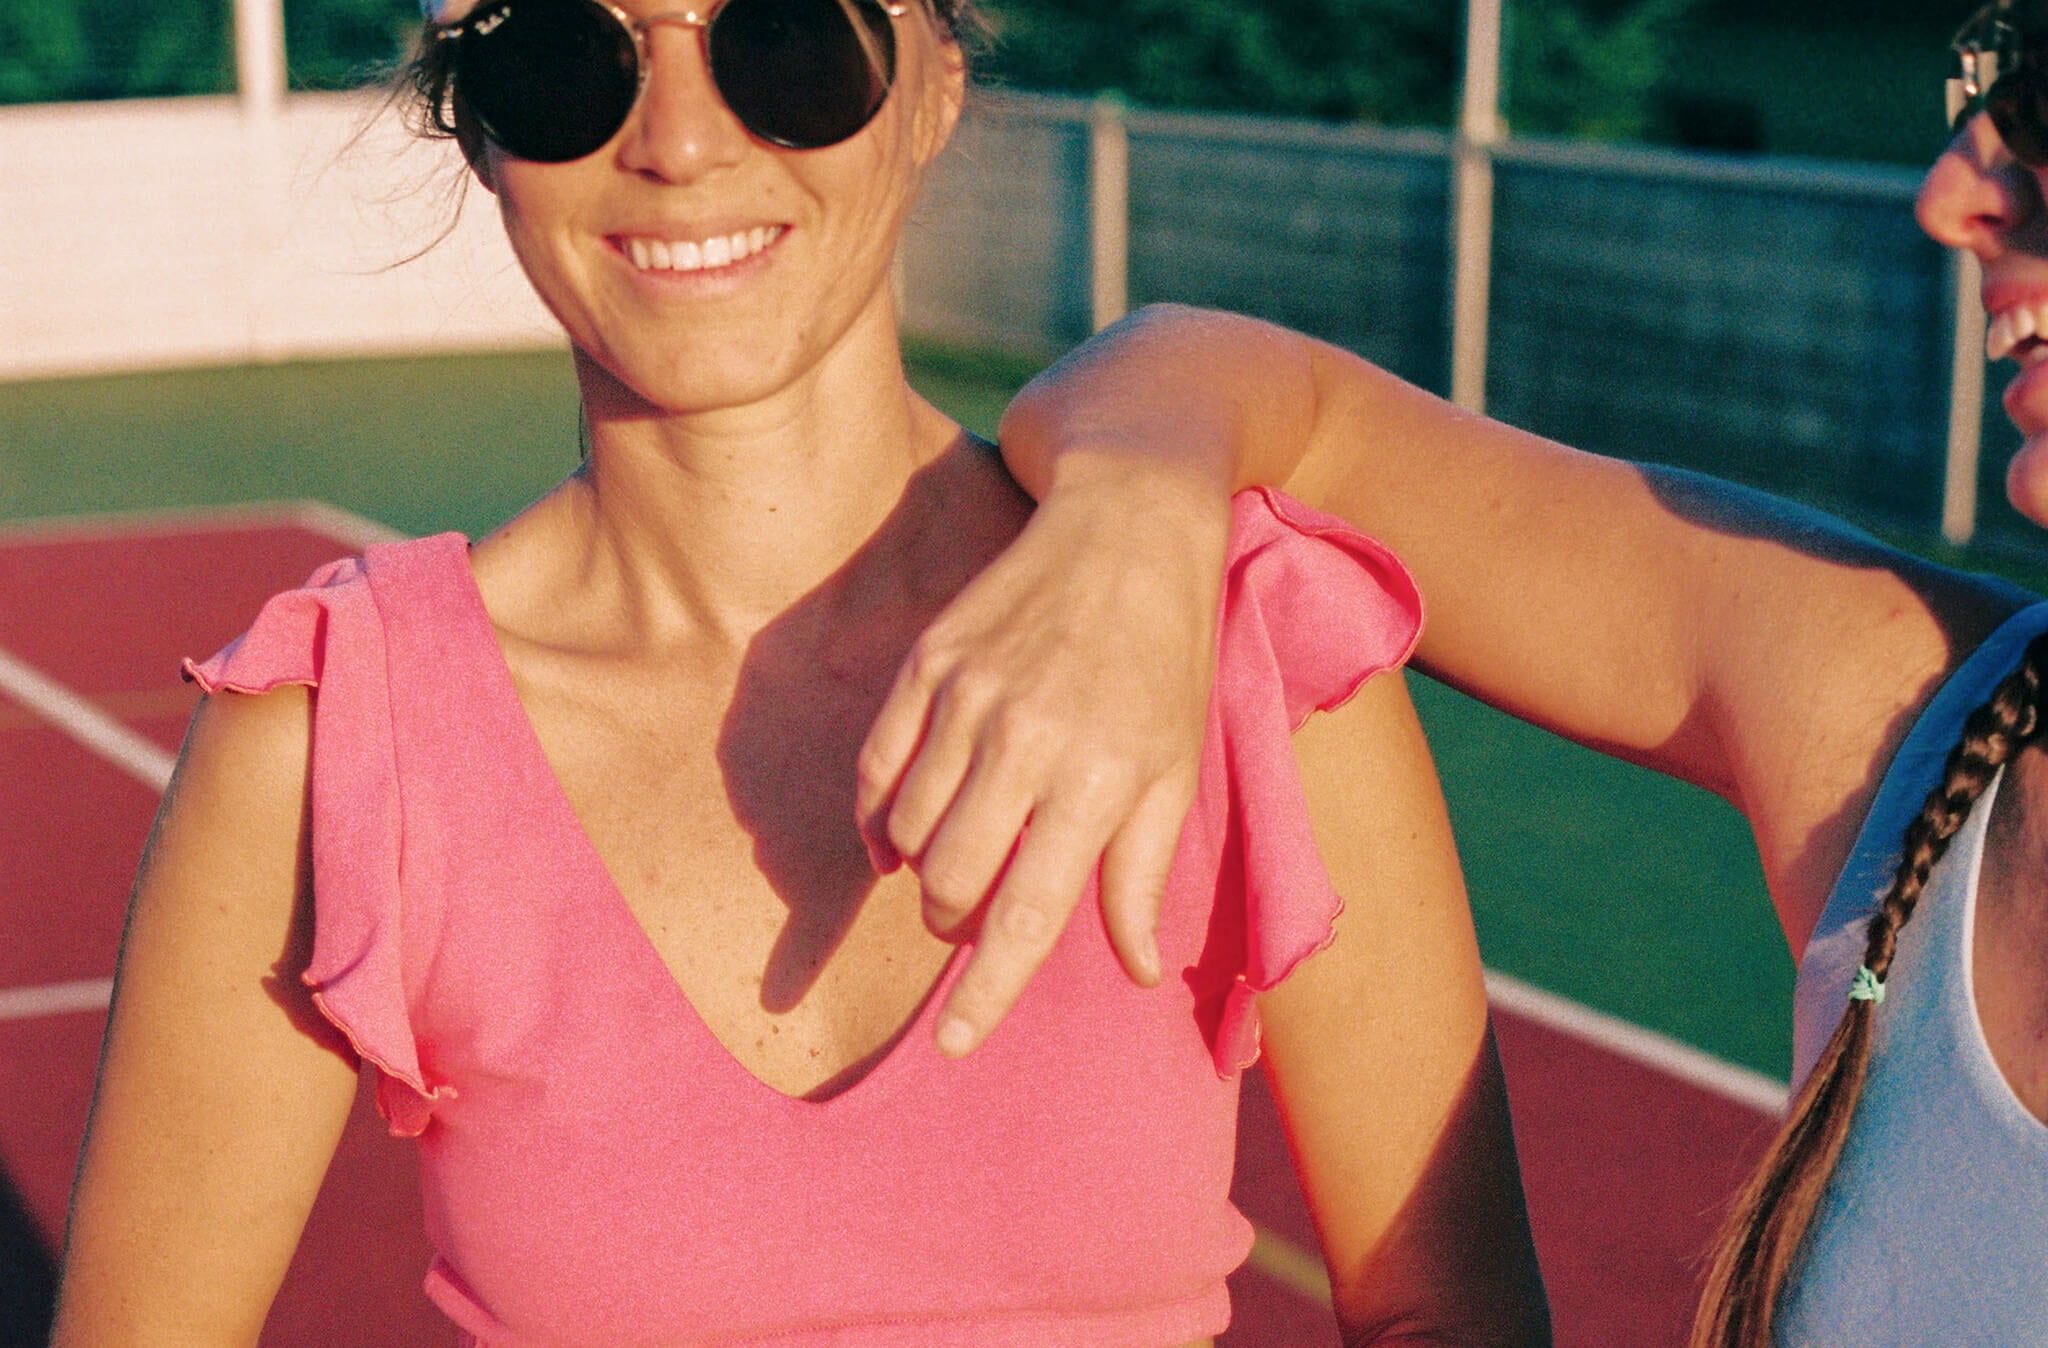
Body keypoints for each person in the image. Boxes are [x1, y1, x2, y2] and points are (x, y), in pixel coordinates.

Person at [49, 0, 1549, 1343]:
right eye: (567, 56)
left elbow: (1449, 1315)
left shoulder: (1247, 650)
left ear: (934, 79)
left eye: (784, 37)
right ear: (476, 121)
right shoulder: (326, 744)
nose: (683, 143)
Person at [848, 3, 2048, 1344]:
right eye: (1980, 88)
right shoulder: (1896, 710)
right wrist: (1132, 521)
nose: (1954, 194)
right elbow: (1233, 381)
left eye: (2040, 96)